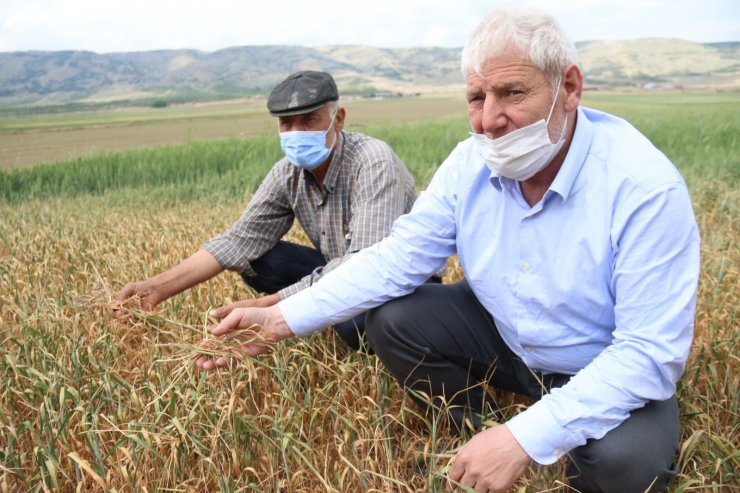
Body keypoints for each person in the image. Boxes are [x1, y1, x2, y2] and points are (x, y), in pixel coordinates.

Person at [196, 9, 700, 493]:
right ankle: (479, 432)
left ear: (568, 88)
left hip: (596, 357)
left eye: (512, 93)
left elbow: (648, 353)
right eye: (477, 98)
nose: (490, 120)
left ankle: (528, 445)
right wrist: (283, 317)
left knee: (624, 467)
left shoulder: (643, 187)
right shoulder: (469, 164)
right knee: (392, 319)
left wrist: (527, 437)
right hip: (507, 337)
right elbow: (398, 258)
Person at [116, 70, 417, 350]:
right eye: (287, 124)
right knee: (258, 257)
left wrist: (271, 307)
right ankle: (315, 312)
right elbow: (237, 241)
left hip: (398, 281)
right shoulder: (288, 173)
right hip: (338, 266)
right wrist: (155, 289)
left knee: (356, 323)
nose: (296, 132)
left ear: (338, 119)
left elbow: (364, 266)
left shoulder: (373, 163)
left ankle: (326, 318)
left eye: (309, 120)